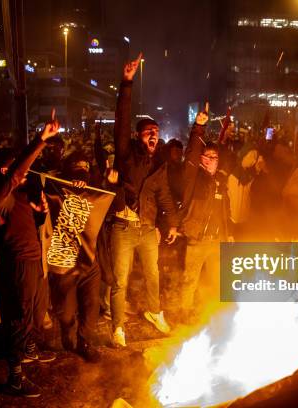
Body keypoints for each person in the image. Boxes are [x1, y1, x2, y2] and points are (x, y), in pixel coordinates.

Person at [0, 113, 60, 397]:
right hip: (16, 262)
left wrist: (39, 214)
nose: (25, 172)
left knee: (31, 315)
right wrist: (40, 140)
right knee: (18, 318)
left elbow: (25, 224)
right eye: (16, 167)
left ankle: (26, 351)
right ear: (6, 171)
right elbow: (18, 172)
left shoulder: (18, 195)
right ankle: (15, 377)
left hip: (32, 260)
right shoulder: (0, 190)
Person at [109, 54, 179, 347]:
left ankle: (154, 312)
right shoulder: (126, 154)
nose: (154, 135)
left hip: (148, 228)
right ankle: (117, 328)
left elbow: (163, 195)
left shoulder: (159, 165)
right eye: (149, 132)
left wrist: (172, 223)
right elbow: (122, 121)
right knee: (120, 280)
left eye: (157, 132)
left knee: (153, 275)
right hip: (124, 228)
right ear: (138, 136)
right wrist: (127, 83)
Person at [47, 152, 117, 362]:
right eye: (77, 168)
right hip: (65, 262)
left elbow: (115, 206)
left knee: (90, 305)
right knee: (66, 311)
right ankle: (68, 334)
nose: (82, 173)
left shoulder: (95, 191)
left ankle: (84, 341)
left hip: (90, 260)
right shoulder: (55, 189)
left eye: (86, 168)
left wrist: (111, 186)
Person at [178, 103, 233, 322]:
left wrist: (228, 233)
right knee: (190, 279)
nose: (211, 160)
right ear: (201, 159)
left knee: (218, 279)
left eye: (214, 157)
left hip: (216, 240)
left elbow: (224, 210)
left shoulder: (220, 180)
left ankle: (216, 312)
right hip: (197, 240)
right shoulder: (193, 176)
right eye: (207, 156)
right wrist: (198, 128)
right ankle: (184, 313)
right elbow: (191, 154)